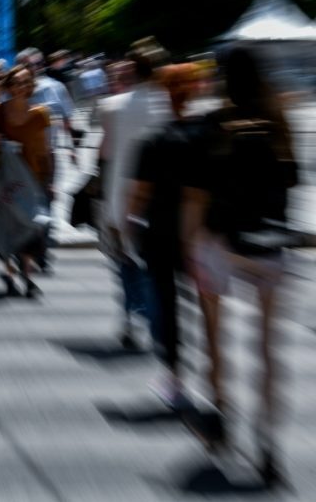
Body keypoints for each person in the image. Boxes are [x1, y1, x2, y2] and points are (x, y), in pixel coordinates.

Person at [181, 47, 298, 486]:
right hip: (269, 243)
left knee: (215, 339)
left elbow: (195, 196)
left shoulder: (212, 125)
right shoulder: (279, 124)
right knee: (267, 349)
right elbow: (292, 183)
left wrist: (190, 245)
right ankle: (268, 444)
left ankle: (222, 415)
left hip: (218, 243)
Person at [126, 63, 202, 408]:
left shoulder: (153, 141)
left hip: (160, 231)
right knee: (207, 303)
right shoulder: (206, 135)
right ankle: (216, 376)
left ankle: (174, 376)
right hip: (200, 230)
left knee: (166, 304)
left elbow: (140, 195)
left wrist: (128, 223)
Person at [97, 39, 171, 349]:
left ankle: (129, 319)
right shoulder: (168, 104)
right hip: (159, 195)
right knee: (155, 264)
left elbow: (105, 153)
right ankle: (157, 322)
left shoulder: (112, 106)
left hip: (120, 192)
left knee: (126, 262)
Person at [0, 65, 52, 297]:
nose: (22, 87)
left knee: (29, 227)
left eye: (26, 82)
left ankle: (27, 277)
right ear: (9, 86)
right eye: (17, 82)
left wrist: (49, 181)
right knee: (8, 227)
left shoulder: (40, 114)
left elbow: (47, 151)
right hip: (6, 179)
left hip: (32, 179)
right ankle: (10, 273)